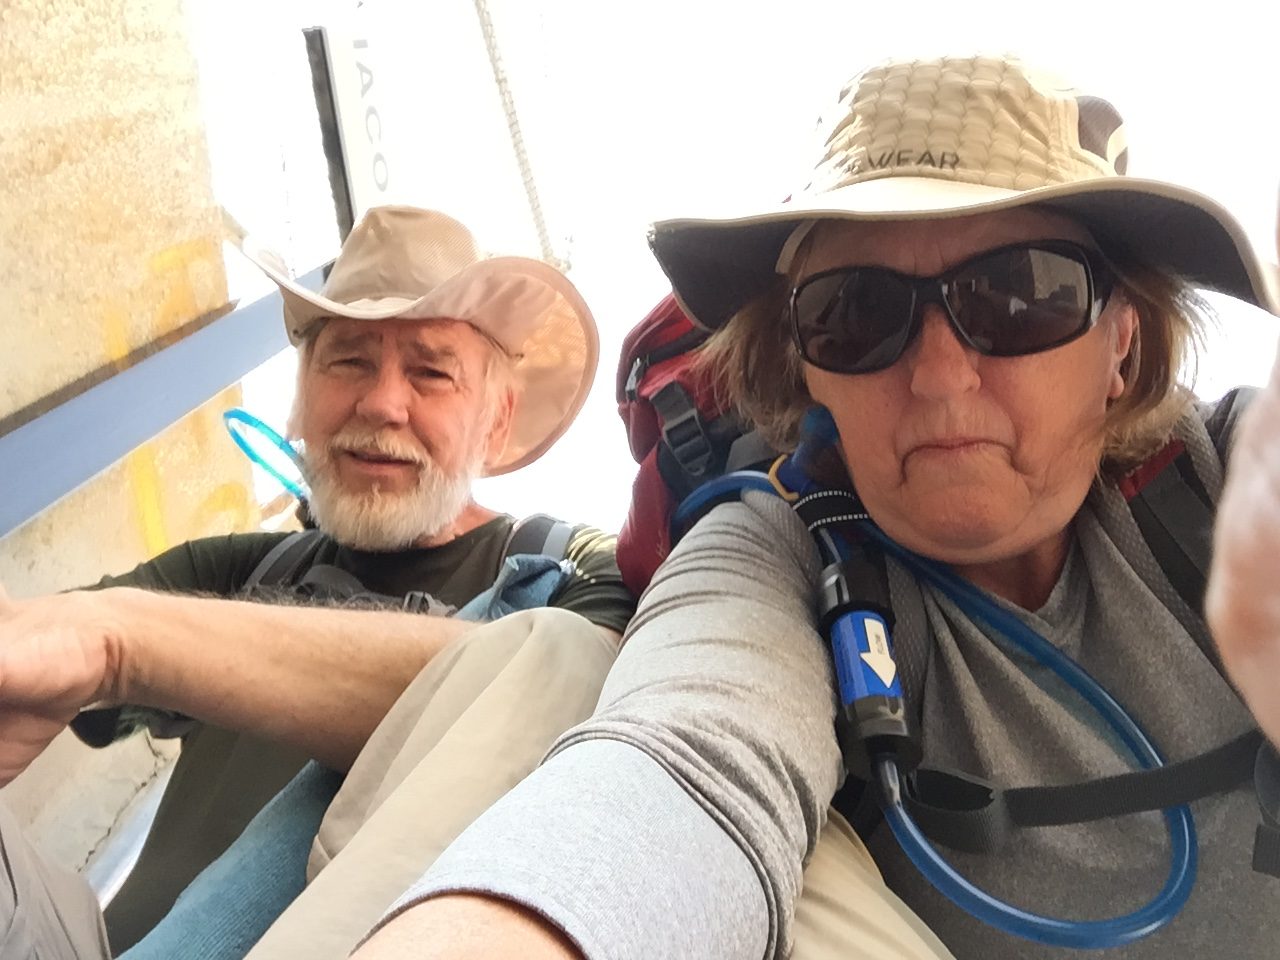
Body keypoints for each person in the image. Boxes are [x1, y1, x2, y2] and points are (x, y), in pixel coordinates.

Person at [346, 56, 1280, 960]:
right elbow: (685, 758)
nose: (940, 374)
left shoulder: (1227, 478)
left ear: (1123, 344)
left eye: (1019, 294)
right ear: (804, 369)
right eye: (856, 312)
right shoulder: (780, 555)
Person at [0, 205, 636, 958]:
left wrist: (124, 641)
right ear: (304, 394)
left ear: (497, 419)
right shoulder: (240, 569)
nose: (382, 402)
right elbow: (34, 640)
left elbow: (558, 703)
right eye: (349, 361)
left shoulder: (575, 569)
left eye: (431, 372)